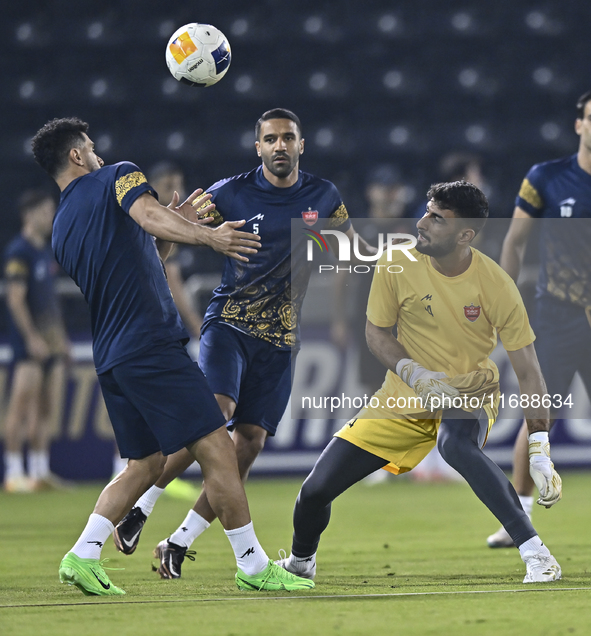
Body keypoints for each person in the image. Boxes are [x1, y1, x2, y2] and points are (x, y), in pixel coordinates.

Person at [31, 116, 313, 595]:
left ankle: (82, 554)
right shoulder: (117, 173)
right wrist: (210, 235)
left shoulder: (62, 226)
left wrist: (176, 224)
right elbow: (146, 216)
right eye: (91, 147)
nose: (98, 153)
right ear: (77, 155)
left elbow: (139, 258)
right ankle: (253, 565)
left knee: (145, 463)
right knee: (219, 449)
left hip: (113, 355)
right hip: (150, 345)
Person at [113, 108, 376, 579]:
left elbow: (346, 250)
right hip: (229, 325)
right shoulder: (229, 192)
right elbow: (168, 234)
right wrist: (174, 229)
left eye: (288, 138)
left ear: (301, 145)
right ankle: (141, 504)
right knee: (214, 413)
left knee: (248, 444)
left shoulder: (321, 197)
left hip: (282, 340)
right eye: (270, 139)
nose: (279, 146)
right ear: (258, 147)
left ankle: (179, 541)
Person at [277, 181, 563, 584]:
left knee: (454, 445)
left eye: (437, 219)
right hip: (402, 397)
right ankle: (300, 564)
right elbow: (376, 334)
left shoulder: (496, 284)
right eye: (427, 212)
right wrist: (415, 373)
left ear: (465, 235)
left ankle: (538, 554)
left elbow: (529, 370)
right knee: (314, 491)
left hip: (469, 392)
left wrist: (539, 447)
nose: (421, 222)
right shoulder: (395, 262)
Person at [486, 89, 591, 548]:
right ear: (579, 124)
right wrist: (502, 302)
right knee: (537, 417)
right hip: (556, 315)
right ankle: (519, 520)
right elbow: (514, 242)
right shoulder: (546, 178)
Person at [3, 190, 69, 493]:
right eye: (45, 211)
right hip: (27, 344)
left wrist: (61, 339)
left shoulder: (45, 251)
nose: (50, 217)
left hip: (50, 342)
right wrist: (31, 338)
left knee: (45, 408)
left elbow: (49, 303)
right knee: (19, 406)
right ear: (29, 215)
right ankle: (14, 472)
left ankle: (40, 471)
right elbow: (16, 300)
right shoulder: (19, 251)